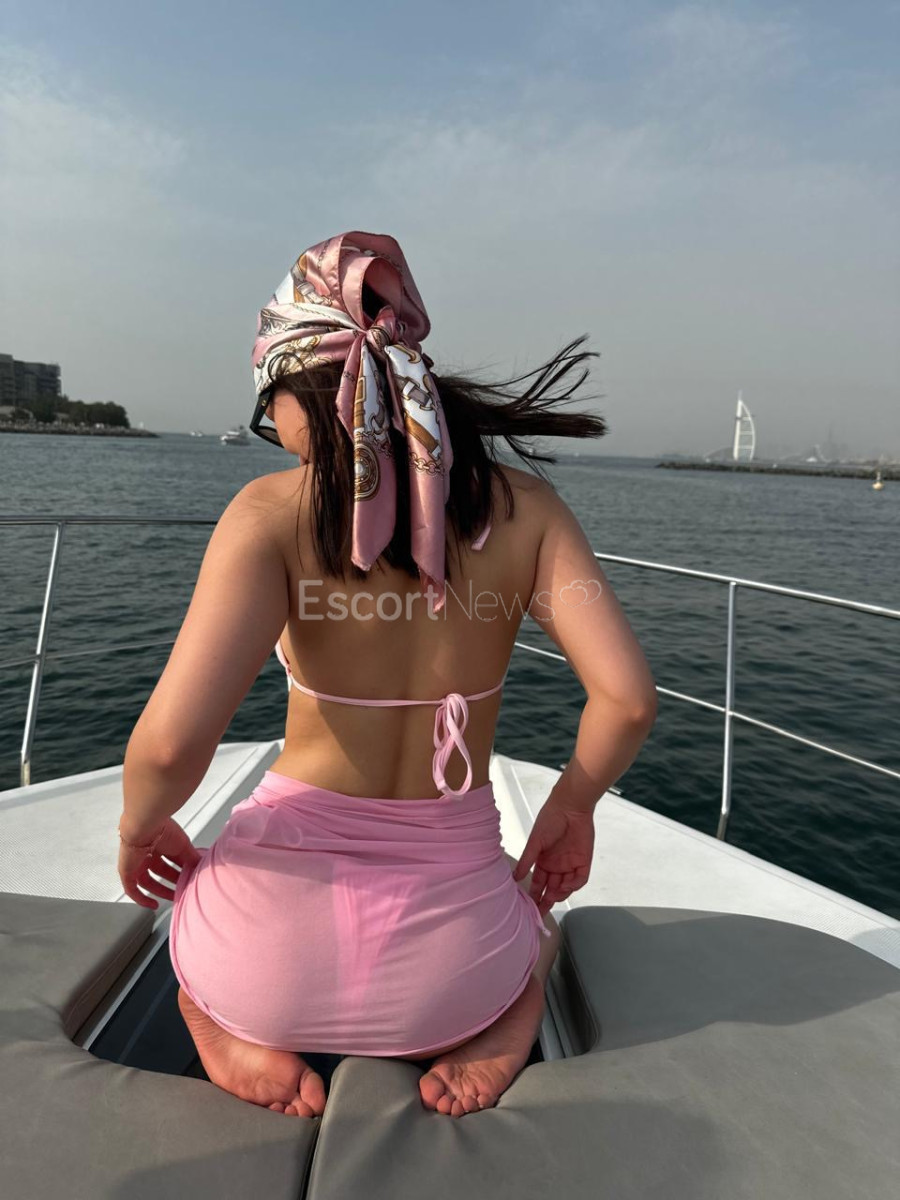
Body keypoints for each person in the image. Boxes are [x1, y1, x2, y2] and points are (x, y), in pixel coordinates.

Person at [117, 231, 658, 1120]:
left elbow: (172, 747)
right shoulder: (530, 511)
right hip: (456, 977)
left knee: (196, 923)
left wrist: (142, 827)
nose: (276, 435)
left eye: (268, 411)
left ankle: (218, 1018)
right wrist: (572, 807)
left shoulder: (269, 514)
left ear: (302, 389)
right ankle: (505, 1016)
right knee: (537, 931)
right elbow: (628, 700)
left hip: (261, 965)